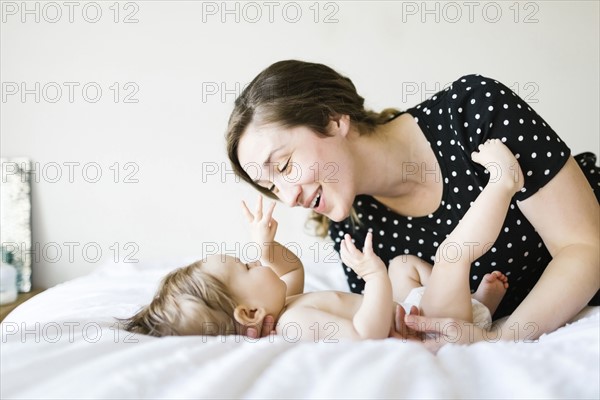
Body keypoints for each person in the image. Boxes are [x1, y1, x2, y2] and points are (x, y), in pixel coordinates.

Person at [225, 60, 599, 346]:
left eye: (285, 165)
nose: (288, 198)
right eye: (270, 186)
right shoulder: (354, 231)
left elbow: (584, 247)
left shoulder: (472, 111)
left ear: (333, 119)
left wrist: (500, 340)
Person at [122, 140, 520, 340]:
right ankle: (503, 185)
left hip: (414, 310)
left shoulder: (284, 301)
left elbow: (290, 268)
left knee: (404, 264)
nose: (257, 264)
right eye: (247, 267)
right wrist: (375, 279)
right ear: (249, 314)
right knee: (451, 255)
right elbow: (367, 335)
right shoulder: (295, 322)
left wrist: (266, 247)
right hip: (429, 329)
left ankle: (474, 306)